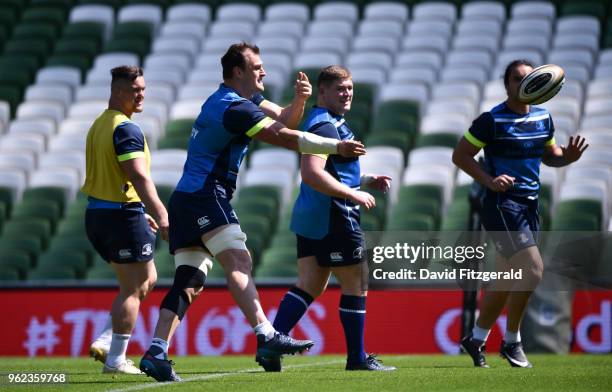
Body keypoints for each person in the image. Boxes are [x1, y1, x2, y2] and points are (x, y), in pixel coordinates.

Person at [139, 42, 366, 382]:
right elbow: (286, 137)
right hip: (205, 195)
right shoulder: (234, 108)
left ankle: (157, 350)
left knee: (190, 279)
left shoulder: (243, 100)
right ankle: (266, 333)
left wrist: (300, 101)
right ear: (238, 72)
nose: (264, 71)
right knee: (239, 261)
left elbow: (286, 118)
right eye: (257, 66)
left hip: (185, 199)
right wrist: (336, 147)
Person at [452, 59, 588, 368]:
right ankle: (512, 341)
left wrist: (567, 157)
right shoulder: (491, 120)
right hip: (502, 204)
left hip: (530, 205)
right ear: (508, 85)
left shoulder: (543, 118)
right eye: (516, 79)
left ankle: (476, 338)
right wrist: (489, 180)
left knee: (507, 278)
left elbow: (550, 156)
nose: (523, 83)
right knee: (534, 270)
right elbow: (460, 155)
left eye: (528, 78)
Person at [260, 65, 396, 372]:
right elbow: (312, 173)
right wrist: (352, 194)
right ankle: (357, 358)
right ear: (322, 92)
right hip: (334, 214)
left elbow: (334, 171)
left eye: (349, 88)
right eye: (339, 89)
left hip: (313, 214)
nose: (347, 93)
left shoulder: (331, 122)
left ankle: (272, 346)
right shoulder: (324, 125)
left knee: (310, 284)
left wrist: (366, 178)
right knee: (357, 283)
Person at [82, 65, 169, 374]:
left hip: (102, 212)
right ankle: (116, 359)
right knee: (133, 288)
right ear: (117, 91)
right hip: (120, 215)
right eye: (135, 90)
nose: (141, 94)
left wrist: (138, 209)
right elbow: (138, 176)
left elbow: (119, 177)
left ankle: (107, 340)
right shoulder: (126, 128)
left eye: (143, 88)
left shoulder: (99, 124)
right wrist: (161, 212)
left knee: (147, 279)